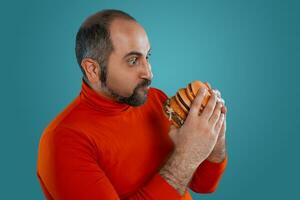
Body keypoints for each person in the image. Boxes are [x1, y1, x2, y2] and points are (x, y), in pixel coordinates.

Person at [37, 9, 228, 200]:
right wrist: (186, 156)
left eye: (148, 57)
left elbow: (203, 185)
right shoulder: (62, 141)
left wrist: (215, 143)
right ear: (93, 69)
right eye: (133, 60)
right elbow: (184, 165)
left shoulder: (156, 100)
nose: (149, 73)